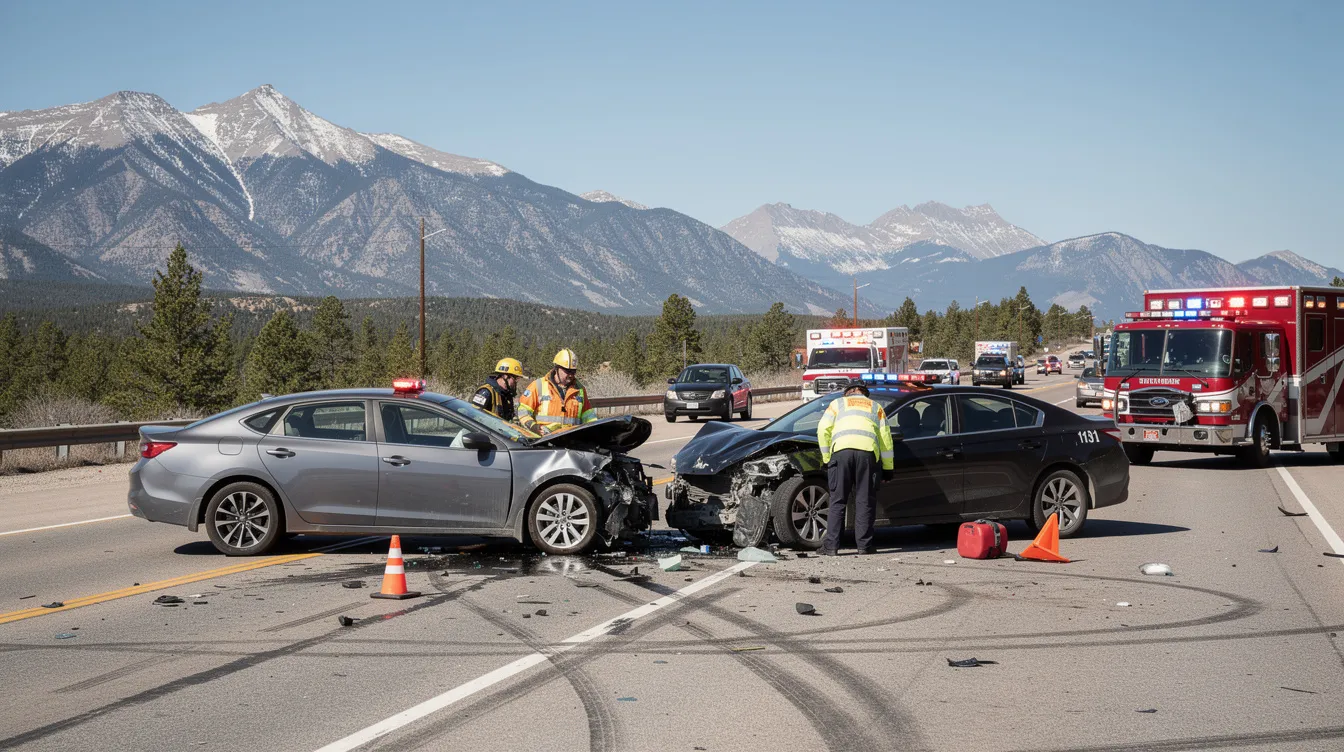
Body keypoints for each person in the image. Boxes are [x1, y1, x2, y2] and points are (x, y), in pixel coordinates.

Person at [815, 381, 895, 556]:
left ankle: (831, 547)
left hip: (841, 454)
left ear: (847, 393)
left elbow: (822, 429)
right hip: (867, 454)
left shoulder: (837, 404)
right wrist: (888, 468)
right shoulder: (876, 407)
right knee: (864, 501)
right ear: (865, 394)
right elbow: (886, 440)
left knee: (838, 501)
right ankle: (864, 546)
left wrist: (827, 457)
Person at [517, 349, 598, 435]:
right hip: (544, 440)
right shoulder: (538, 385)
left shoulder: (580, 390)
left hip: (571, 440)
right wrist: (533, 426)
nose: (571, 375)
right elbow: (523, 411)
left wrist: (596, 429)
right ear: (556, 368)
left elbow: (589, 416)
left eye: (573, 371)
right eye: (567, 371)